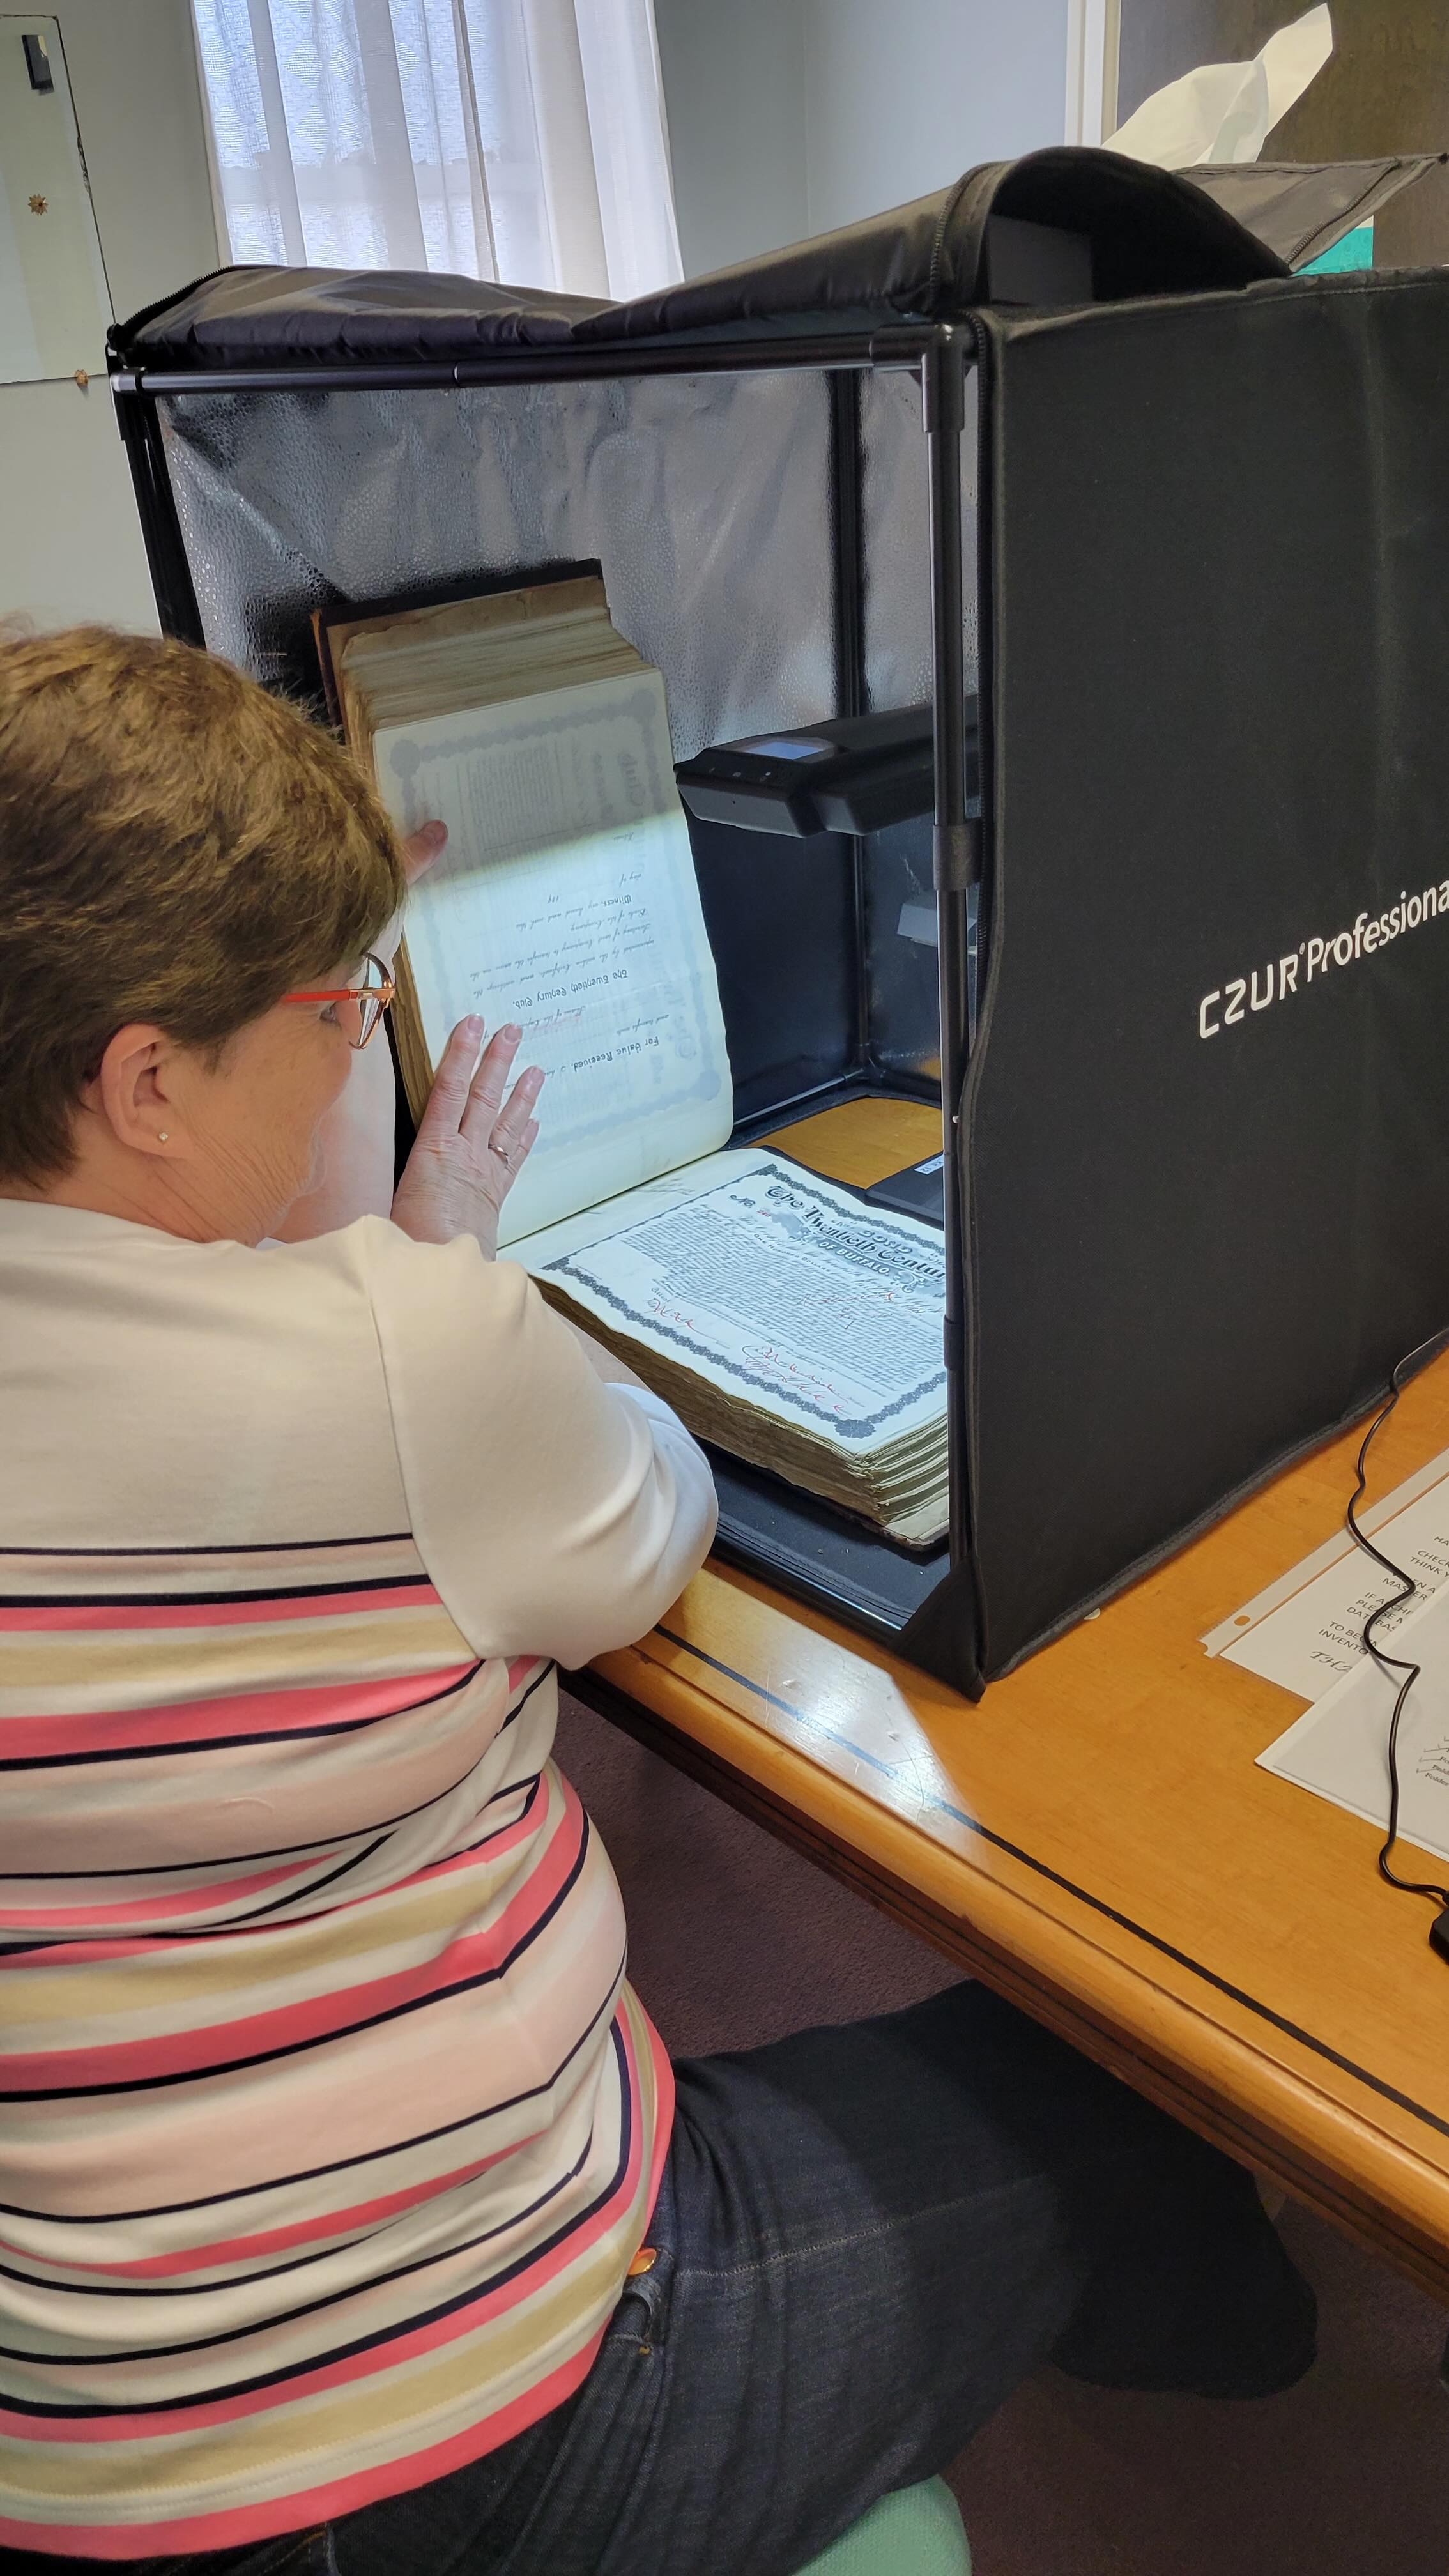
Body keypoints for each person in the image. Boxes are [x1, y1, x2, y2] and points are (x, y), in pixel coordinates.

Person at [0, 628, 1314, 2576]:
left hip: (71, 2423)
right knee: (1101, 2100)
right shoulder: (388, 1359)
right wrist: (439, 1277)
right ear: (144, 1085)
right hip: (458, 2439)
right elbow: (645, 1529)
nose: (363, 1036)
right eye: (337, 1009)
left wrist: (393, 1270)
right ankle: (1280, 2410)